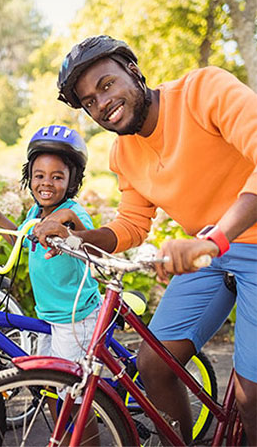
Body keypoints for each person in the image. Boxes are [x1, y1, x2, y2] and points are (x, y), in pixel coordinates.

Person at [33, 35, 257, 444]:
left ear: (133, 72)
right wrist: (75, 237)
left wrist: (214, 239)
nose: (102, 104)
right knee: (153, 364)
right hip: (208, 253)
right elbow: (131, 226)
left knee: (251, 395)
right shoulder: (123, 154)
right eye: (89, 101)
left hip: (232, 243)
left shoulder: (204, 90)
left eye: (106, 85)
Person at [0, 125, 102, 445]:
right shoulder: (36, 212)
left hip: (76, 318)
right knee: (50, 389)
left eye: (57, 177)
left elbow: (92, 245)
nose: (47, 183)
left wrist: (68, 223)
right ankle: (65, 439)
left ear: (73, 181)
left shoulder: (72, 212)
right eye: (39, 175)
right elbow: (23, 233)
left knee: (74, 396)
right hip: (49, 316)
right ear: (29, 177)